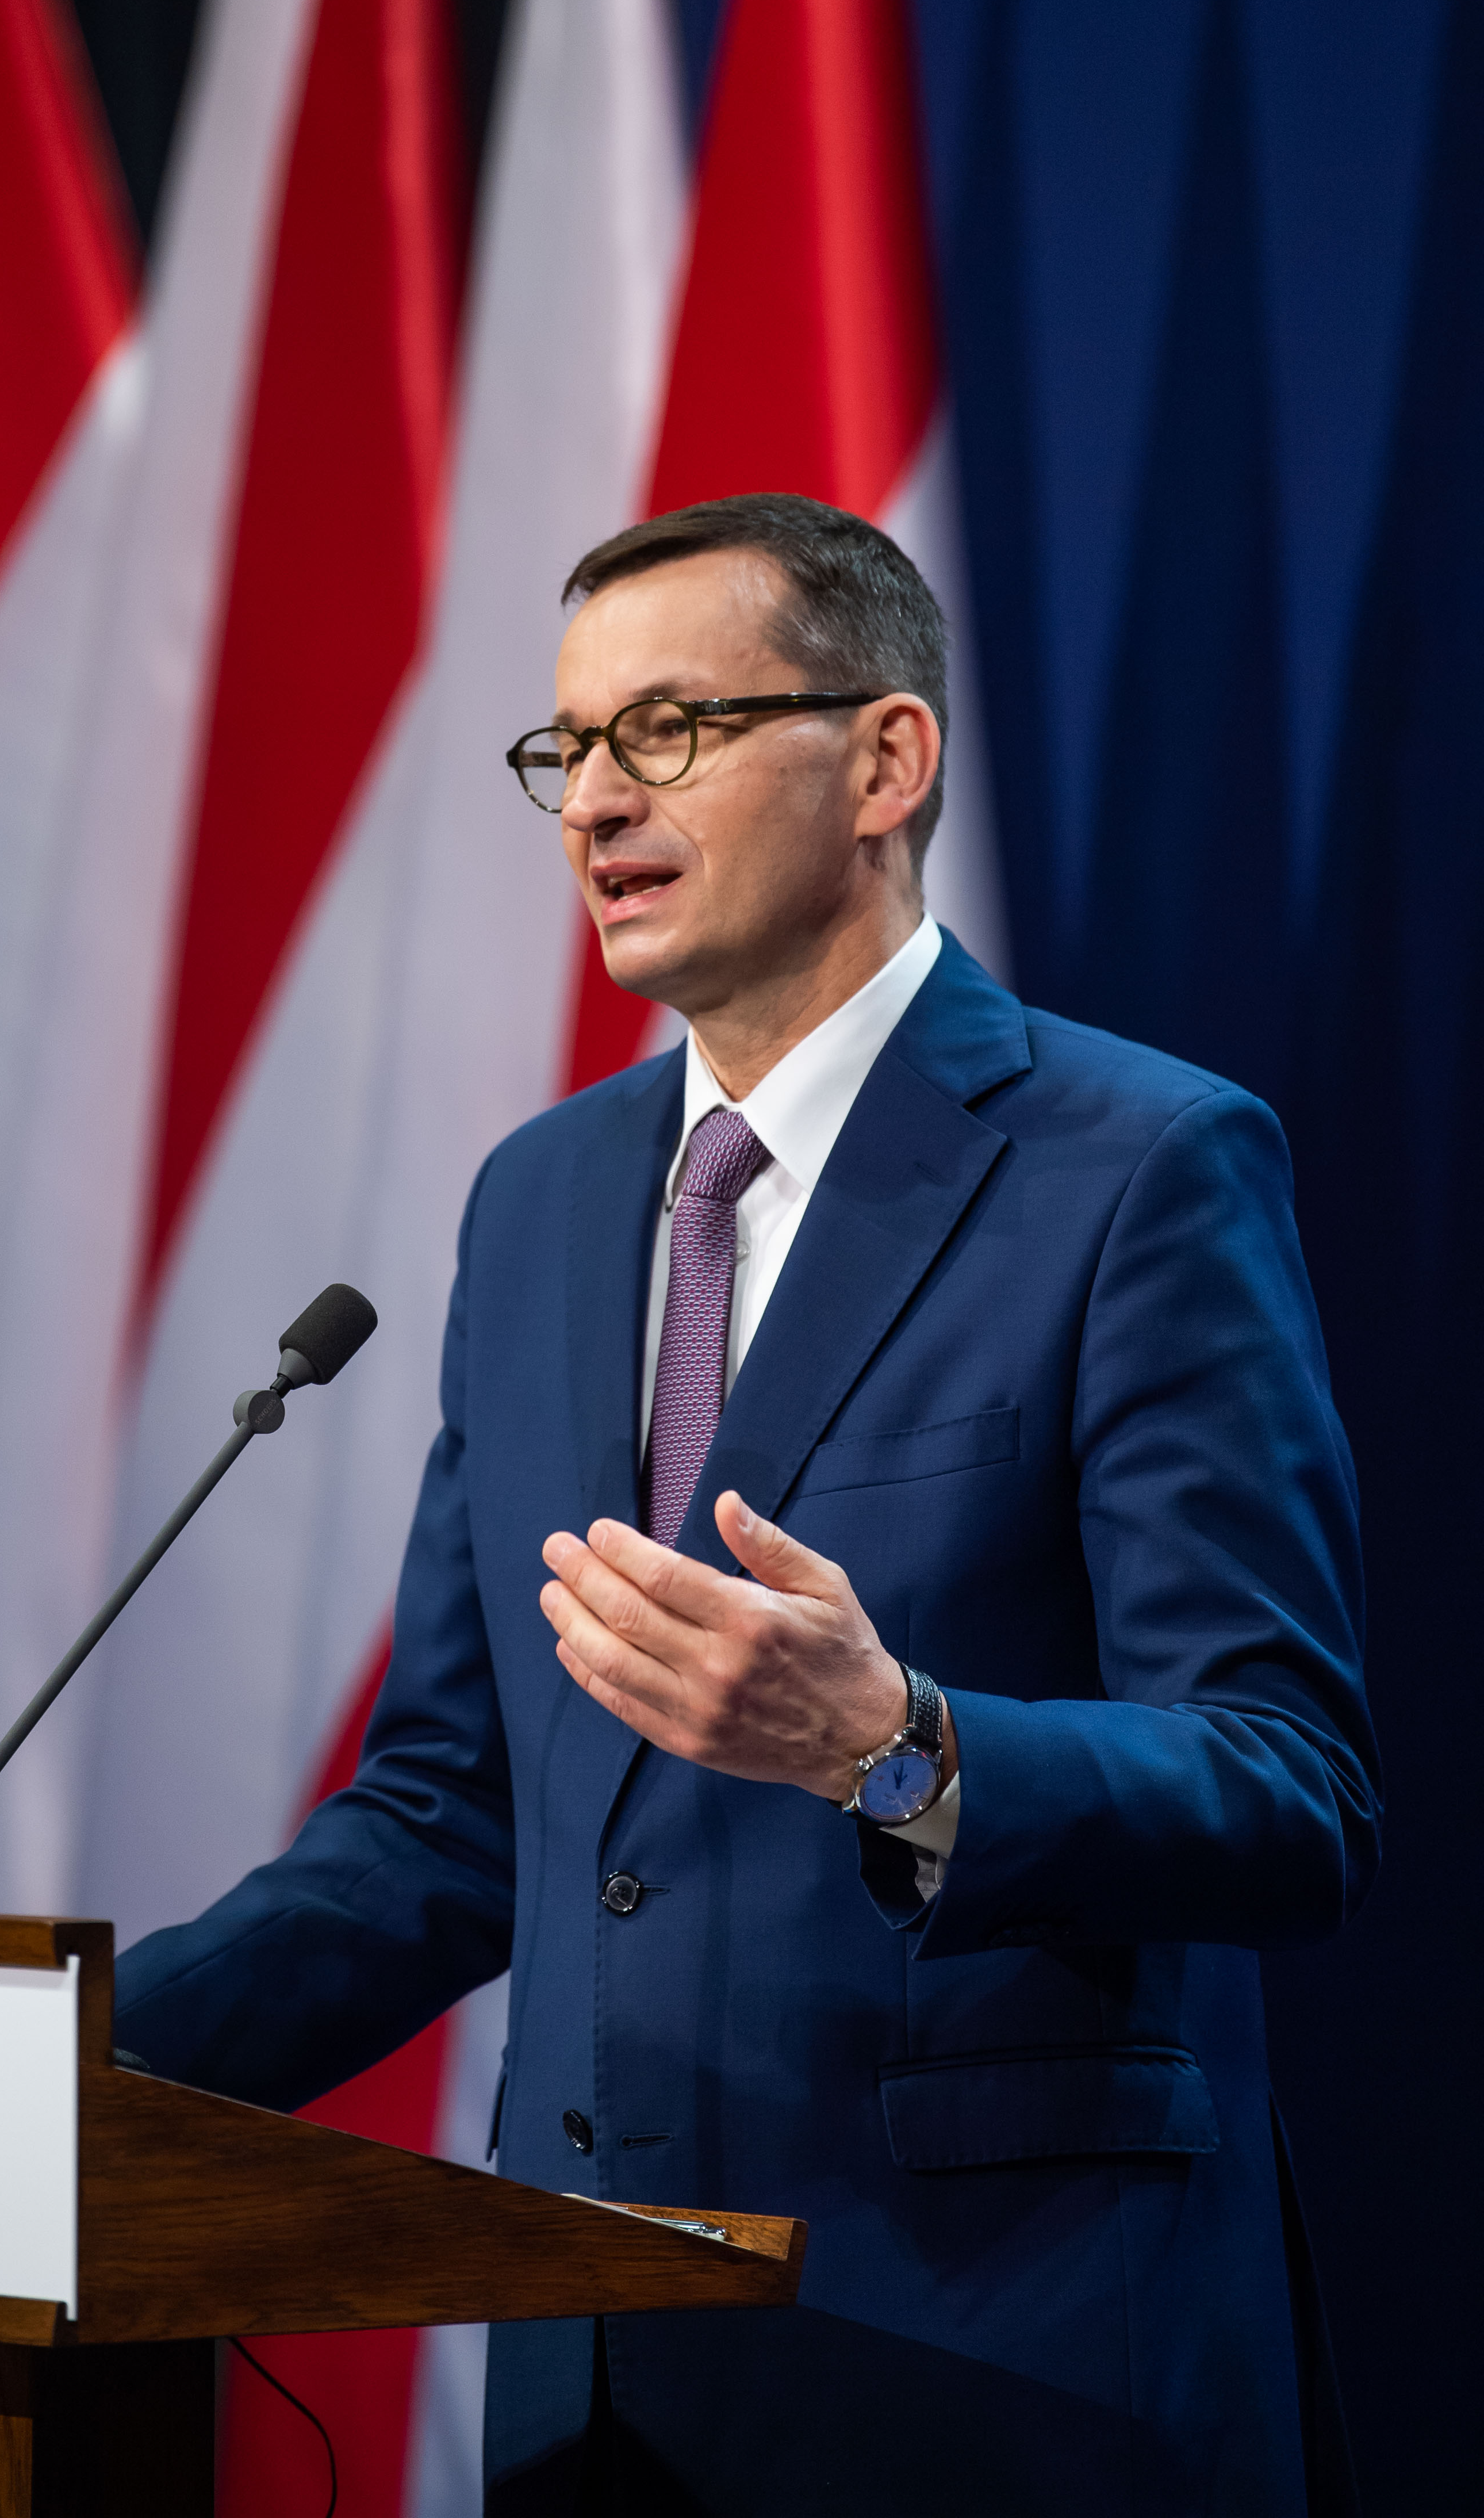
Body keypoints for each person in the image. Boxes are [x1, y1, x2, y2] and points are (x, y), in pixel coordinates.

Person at [114, 492, 1378, 2516]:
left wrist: (904, 1748)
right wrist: (62, 2069)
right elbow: (453, 1815)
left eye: (669, 729)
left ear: (887, 762)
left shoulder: (1141, 1167)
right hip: (596, 2369)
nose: (595, 803)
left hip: (1006, 2363)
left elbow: (1288, 1788)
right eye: (567, 748)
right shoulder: (539, 1203)